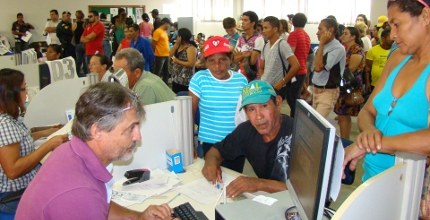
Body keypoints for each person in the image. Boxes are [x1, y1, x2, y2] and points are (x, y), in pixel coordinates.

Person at [15, 82, 173, 219]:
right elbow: (89, 202)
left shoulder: (70, 151)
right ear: (97, 131)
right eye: (131, 128)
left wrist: (138, 217)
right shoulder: (80, 195)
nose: (138, 137)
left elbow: (101, 204)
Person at [342, 2, 430, 217]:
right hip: (372, 181)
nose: (392, 35)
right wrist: (369, 131)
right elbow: (367, 111)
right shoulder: (397, 58)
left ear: (426, 15)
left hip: (408, 194)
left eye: (398, 24)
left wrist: (373, 144)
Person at [202, 80, 293, 198]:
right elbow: (216, 150)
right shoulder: (245, 131)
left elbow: (305, 193)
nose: (259, 116)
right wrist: (210, 163)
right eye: (251, 109)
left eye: (264, 106)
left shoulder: (298, 132)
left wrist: (259, 183)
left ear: (278, 103)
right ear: (245, 112)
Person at [0, 68, 68, 217]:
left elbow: (21, 138)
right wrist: (48, 146)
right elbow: (12, 170)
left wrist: (48, 132)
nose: (27, 93)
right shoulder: (4, 124)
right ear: (11, 94)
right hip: (13, 198)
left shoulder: (11, 117)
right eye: (24, 89)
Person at [189, 36, 248, 172]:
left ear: (231, 59)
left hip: (236, 142)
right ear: (205, 62)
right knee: (210, 181)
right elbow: (189, 114)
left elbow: (246, 114)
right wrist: (190, 143)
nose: (217, 66)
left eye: (222, 60)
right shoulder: (200, 79)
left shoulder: (241, 80)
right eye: (211, 61)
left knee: (233, 181)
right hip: (210, 142)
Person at [258, 16, 300, 117]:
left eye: (266, 28)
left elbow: (296, 65)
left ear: (275, 29)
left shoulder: (282, 44)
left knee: (273, 114)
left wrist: (282, 82)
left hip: (277, 88)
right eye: (263, 28)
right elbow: (261, 66)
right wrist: (263, 78)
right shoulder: (266, 45)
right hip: (265, 87)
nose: (263, 31)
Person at [334, 27, 365, 139]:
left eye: (346, 34)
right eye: (343, 33)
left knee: (344, 114)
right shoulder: (345, 49)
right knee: (343, 115)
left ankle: (344, 140)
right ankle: (344, 138)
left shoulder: (356, 50)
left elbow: (351, 68)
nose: (342, 36)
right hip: (343, 84)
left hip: (350, 86)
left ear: (353, 36)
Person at [312, 18, 346, 118]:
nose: (317, 33)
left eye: (320, 29)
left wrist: (321, 43)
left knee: (317, 123)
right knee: (312, 123)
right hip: (316, 89)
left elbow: (318, 67)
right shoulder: (322, 46)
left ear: (330, 30)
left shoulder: (338, 48)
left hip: (327, 92)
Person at [287, 13, 311, 116]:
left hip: (295, 70)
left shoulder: (294, 34)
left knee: (292, 99)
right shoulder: (306, 35)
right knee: (294, 97)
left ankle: (295, 121)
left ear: (292, 22)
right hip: (302, 70)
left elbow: (289, 53)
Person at [234, 11, 265, 81]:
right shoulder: (240, 38)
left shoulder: (259, 38)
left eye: (245, 20)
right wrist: (247, 54)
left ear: (253, 23)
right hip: (241, 75)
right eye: (242, 20)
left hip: (254, 76)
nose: (242, 22)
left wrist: (241, 55)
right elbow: (234, 59)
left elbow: (252, 61)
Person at [365, 29, 394, 93]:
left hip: (390, 85)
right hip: (375, 84)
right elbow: (367, 69)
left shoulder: (396, 51)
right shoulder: (372, 51)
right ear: (383, 38)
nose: (393, 39)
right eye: (390, 37)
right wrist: (367, 83)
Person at [169, 28, 197, 93]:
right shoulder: (178, 46)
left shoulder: (191, 48)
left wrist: (177, 61)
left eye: (178, 36)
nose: (177, 37)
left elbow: (191, 64)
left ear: (181, 37)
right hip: (176, 78)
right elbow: (170, 55)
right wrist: (176, 45)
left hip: (185, 80)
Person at [152, 18, 172, 84]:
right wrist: (155, 52)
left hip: (167, 55)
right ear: (166, 23)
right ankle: (154, 85)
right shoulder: (157, 31)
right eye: (169, 25)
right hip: (159, 55)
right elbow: (153, 43)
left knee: (166, 72)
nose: (169, 27)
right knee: (157, 72)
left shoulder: (164, 32)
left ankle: (164, 85)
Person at [72, 10, 87, 77]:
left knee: (78, 60)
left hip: (78, 44)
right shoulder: (86, 24)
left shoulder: (74, 24)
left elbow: (72, 33)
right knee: (85, 60)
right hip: (85, 43)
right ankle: (86, 73)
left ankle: (77, 73)